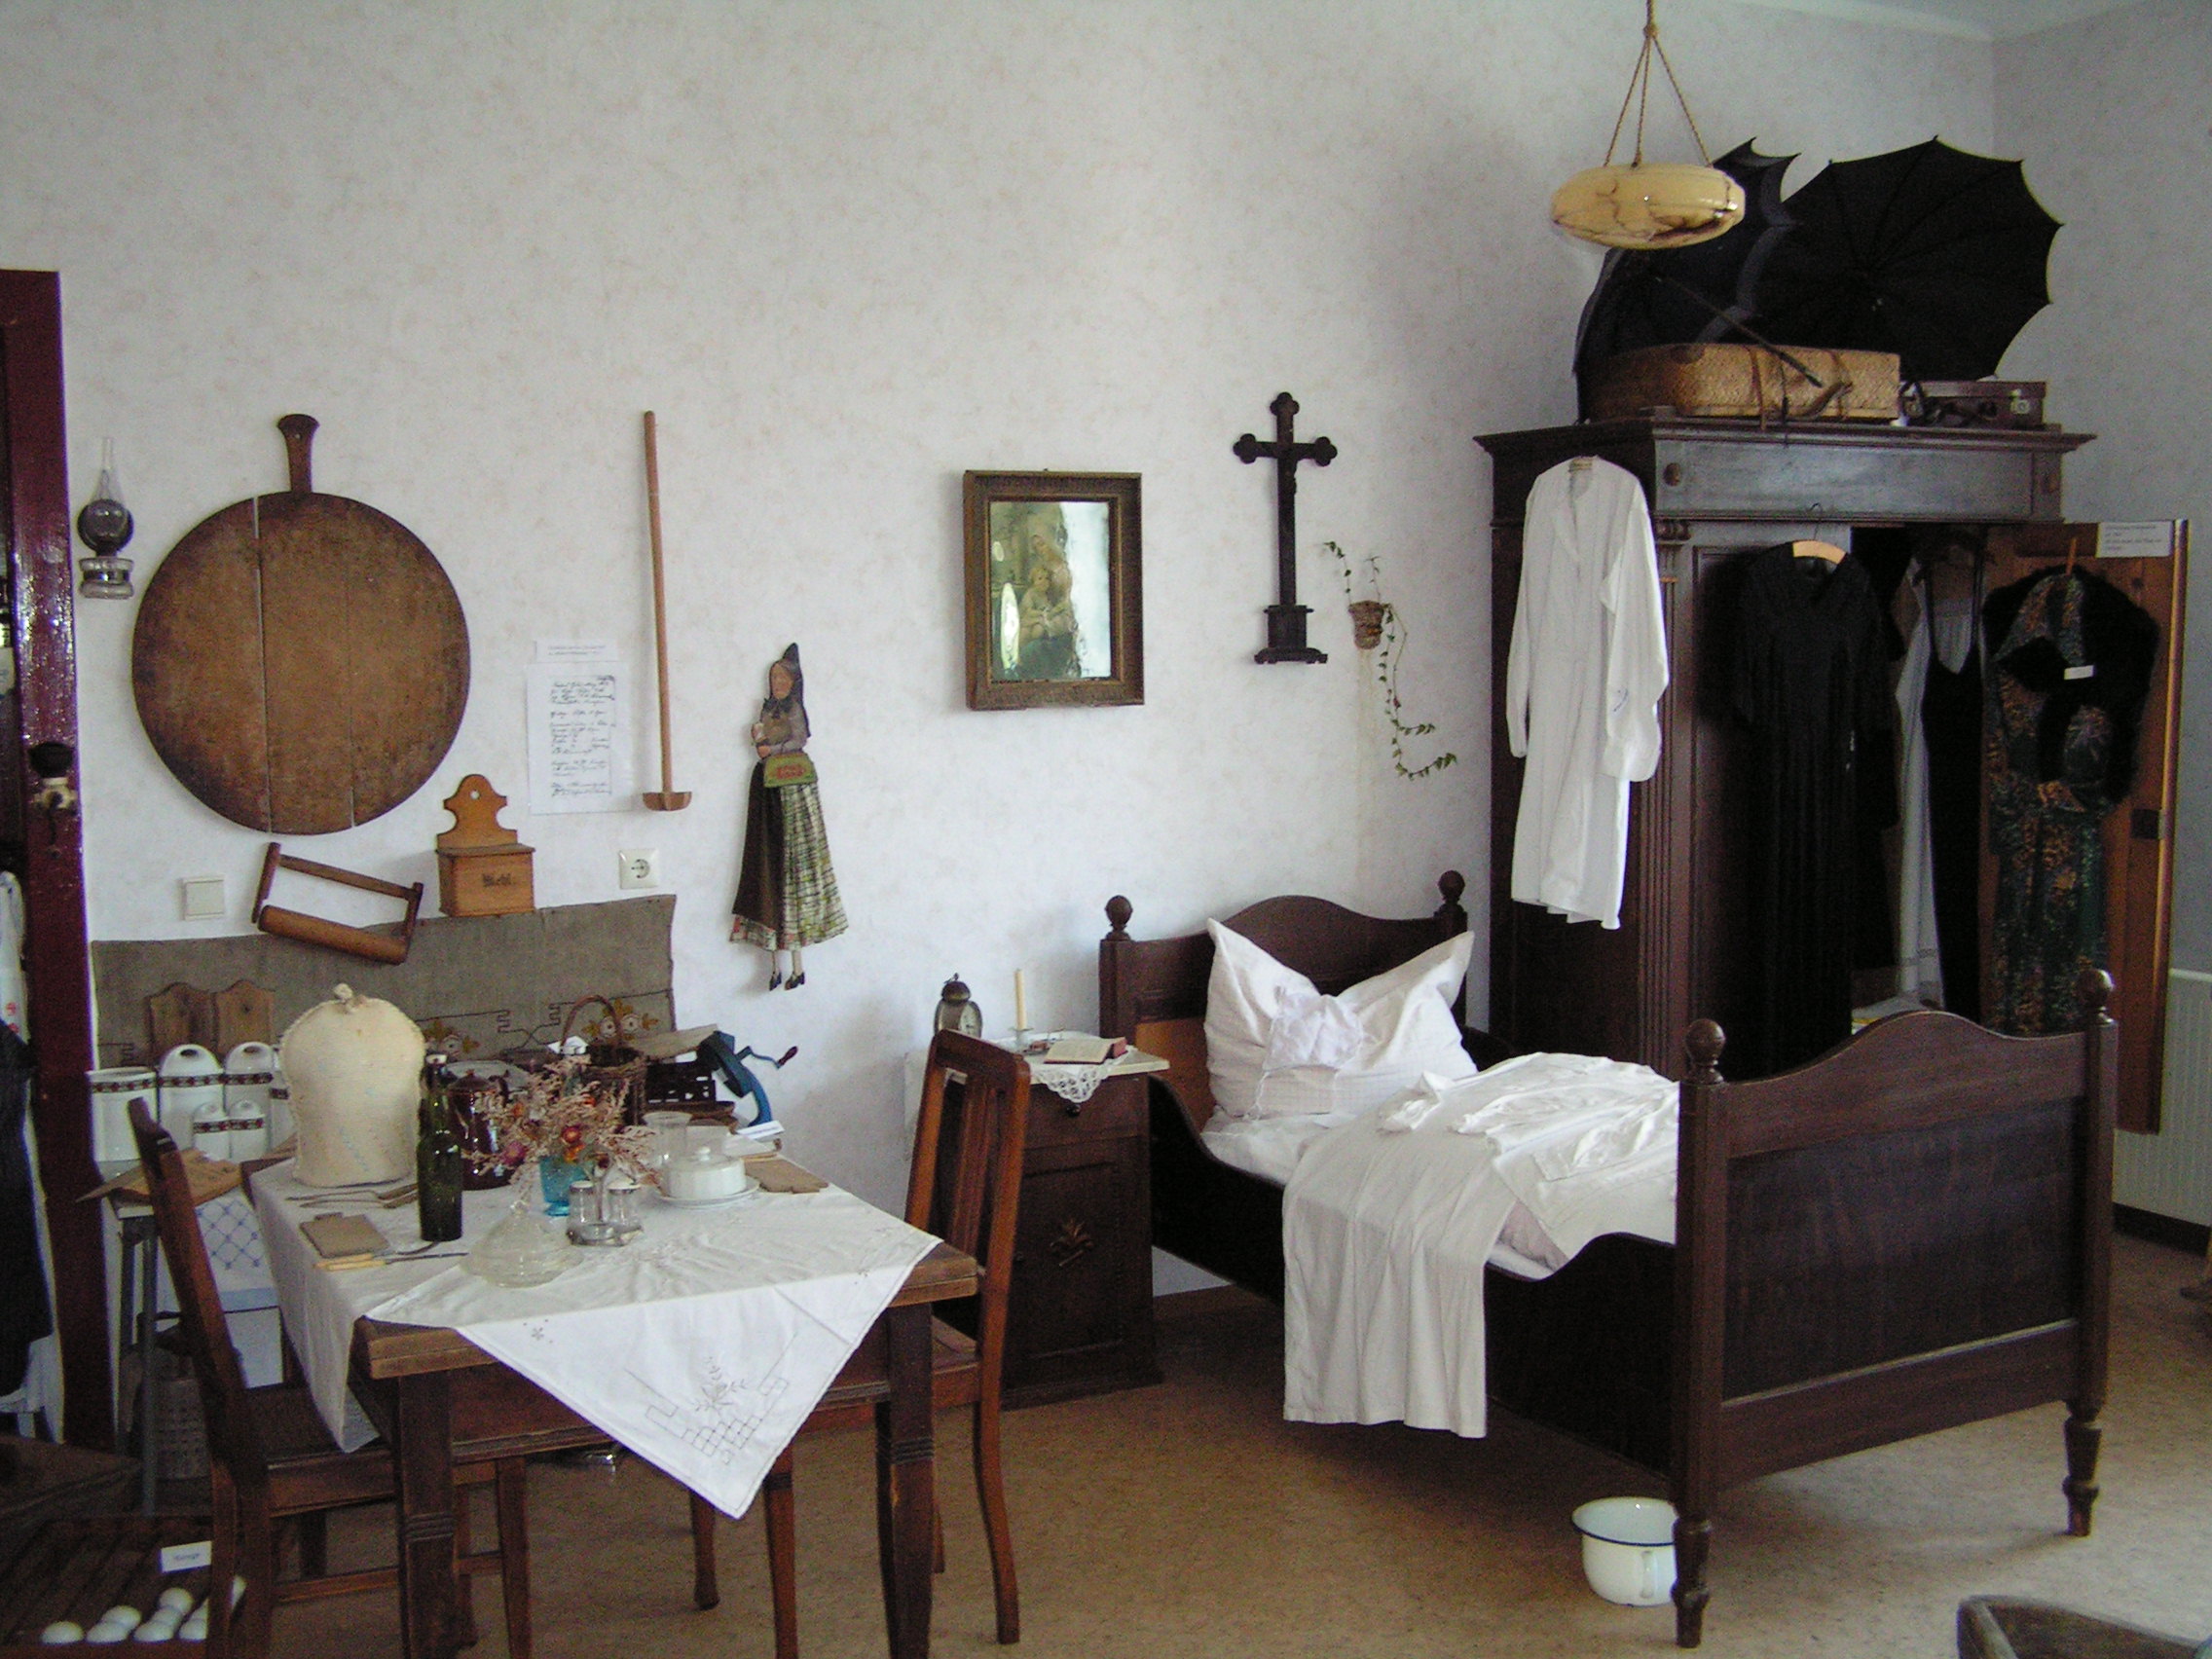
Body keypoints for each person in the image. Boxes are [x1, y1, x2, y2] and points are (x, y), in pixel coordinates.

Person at [730, 645, 847, 987]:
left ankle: (797, 965)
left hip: (792, 782)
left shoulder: (794, 708)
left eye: (783, 678)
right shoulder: (768, 707)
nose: (777, 684)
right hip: (768, 782)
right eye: (774, 678)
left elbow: (799, 738)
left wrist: (773, 748)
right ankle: (773, 964)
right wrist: (759, 738)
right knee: (767, 860)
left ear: (793, 682)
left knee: (796, 865)